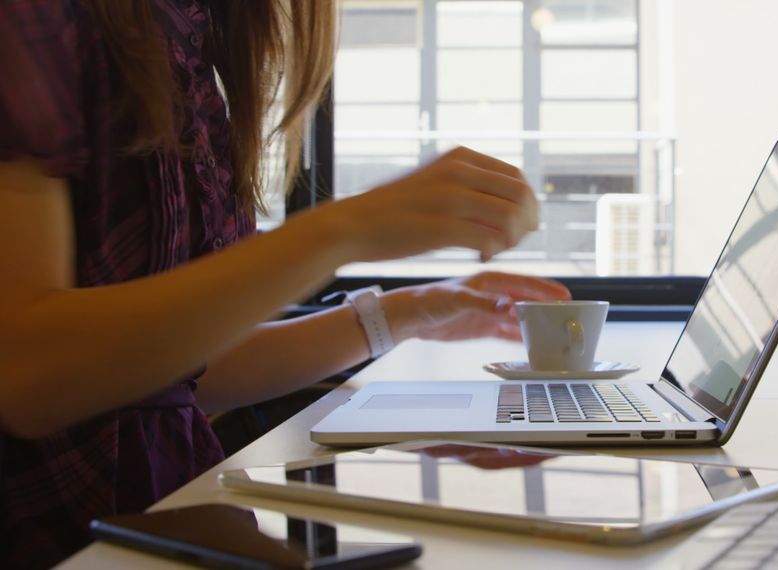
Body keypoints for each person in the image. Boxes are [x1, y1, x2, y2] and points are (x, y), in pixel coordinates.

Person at [0, 1, 570, 567]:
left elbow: (175, 372)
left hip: (165, 524)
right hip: (60, 536)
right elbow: (28, 377)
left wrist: (404, 314)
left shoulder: (190, 33)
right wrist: (343, 230)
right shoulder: (38, 21)